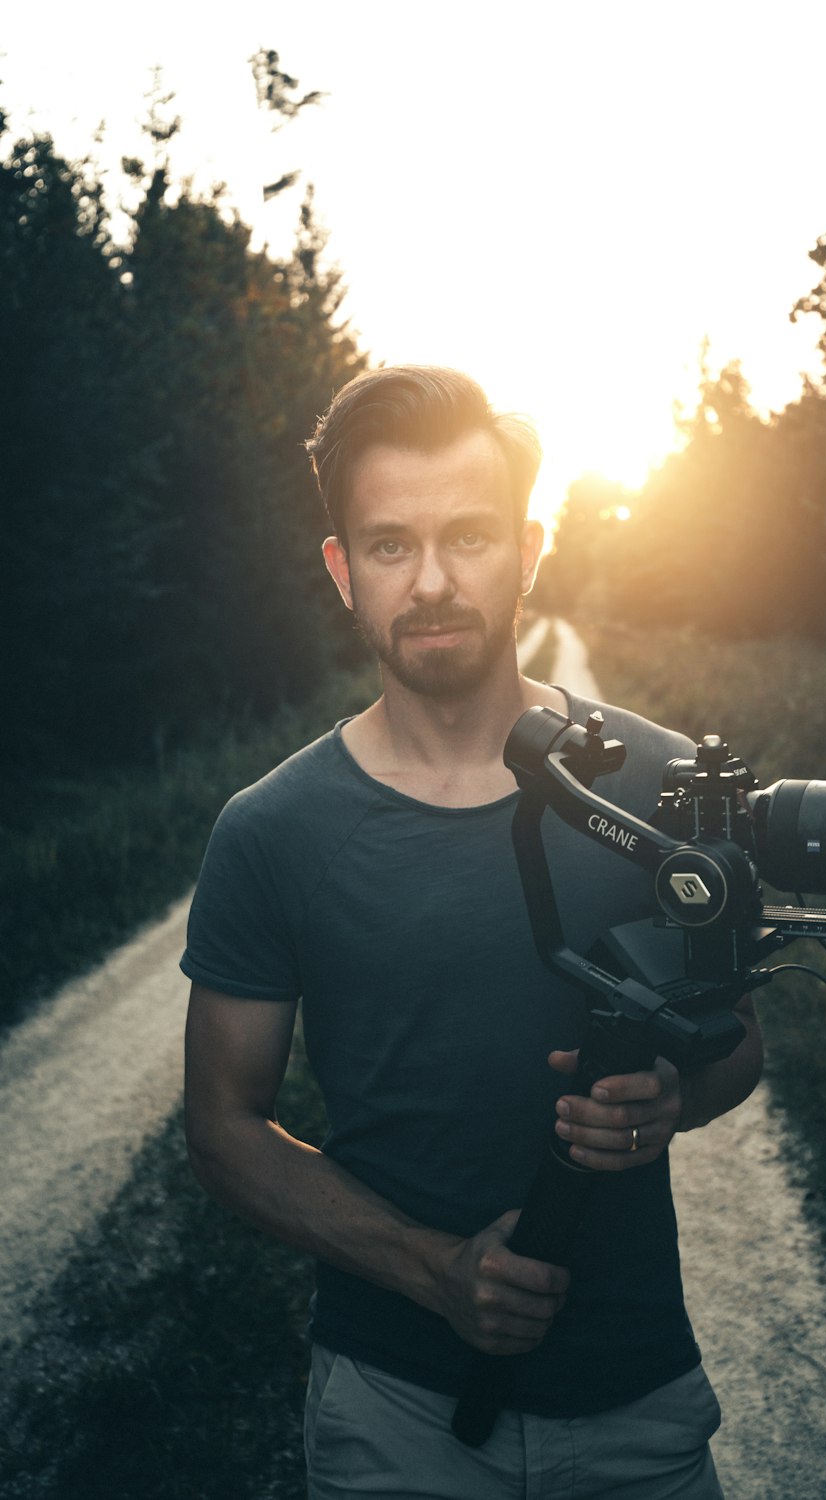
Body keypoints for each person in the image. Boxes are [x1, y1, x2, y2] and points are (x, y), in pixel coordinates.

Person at [181, 366, 763, 1499]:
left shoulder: (660, 782)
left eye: (471, 538)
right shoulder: (271, 831)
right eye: (391, 546)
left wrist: (675, 1099)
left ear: (531, 549)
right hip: (390, 1412)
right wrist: (436, 1271)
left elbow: (737, 1044)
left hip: (635, 1401)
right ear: (343, 571)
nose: (434, 582)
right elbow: (222, 1127)